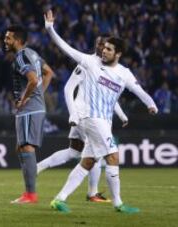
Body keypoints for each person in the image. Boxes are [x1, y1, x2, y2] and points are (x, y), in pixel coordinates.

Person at [44, 10, 158, 213]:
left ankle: (59, 199)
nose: (104, 51)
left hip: (104, 121)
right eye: (104, 48)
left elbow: (138, 90)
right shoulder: (90, 62)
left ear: (118, 54)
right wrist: (50, 29)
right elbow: (66, 49)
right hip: (91, 118)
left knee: (87, 161)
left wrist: (151, 104)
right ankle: (118, 204)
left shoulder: (124, 73)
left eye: (109, 49)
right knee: (113, 156)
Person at [37, 35, 129, 203]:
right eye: (100, 44)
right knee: (96, 153)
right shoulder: (87, 63)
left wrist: (121, 115)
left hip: (87, 116)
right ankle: (92, 193)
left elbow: (108, 97)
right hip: (85, 116)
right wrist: (74, 113)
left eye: (106, 45)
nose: (102, 47)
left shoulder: (107, 68)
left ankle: (37, 167)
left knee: (75, 152)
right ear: (96, 45)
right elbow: (68, 88)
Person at [4, 25, 54, 204]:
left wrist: (25, 98)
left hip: (29, 109)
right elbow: (49, 73)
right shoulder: (33, 53)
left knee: (26, 147)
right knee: (21, 147)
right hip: (35, 107)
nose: (5, 41)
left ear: (17, 40)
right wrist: (38, 93)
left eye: (8, 38)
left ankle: (30, 194)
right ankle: (28, 192)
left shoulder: (21, 57)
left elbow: (33, 79)